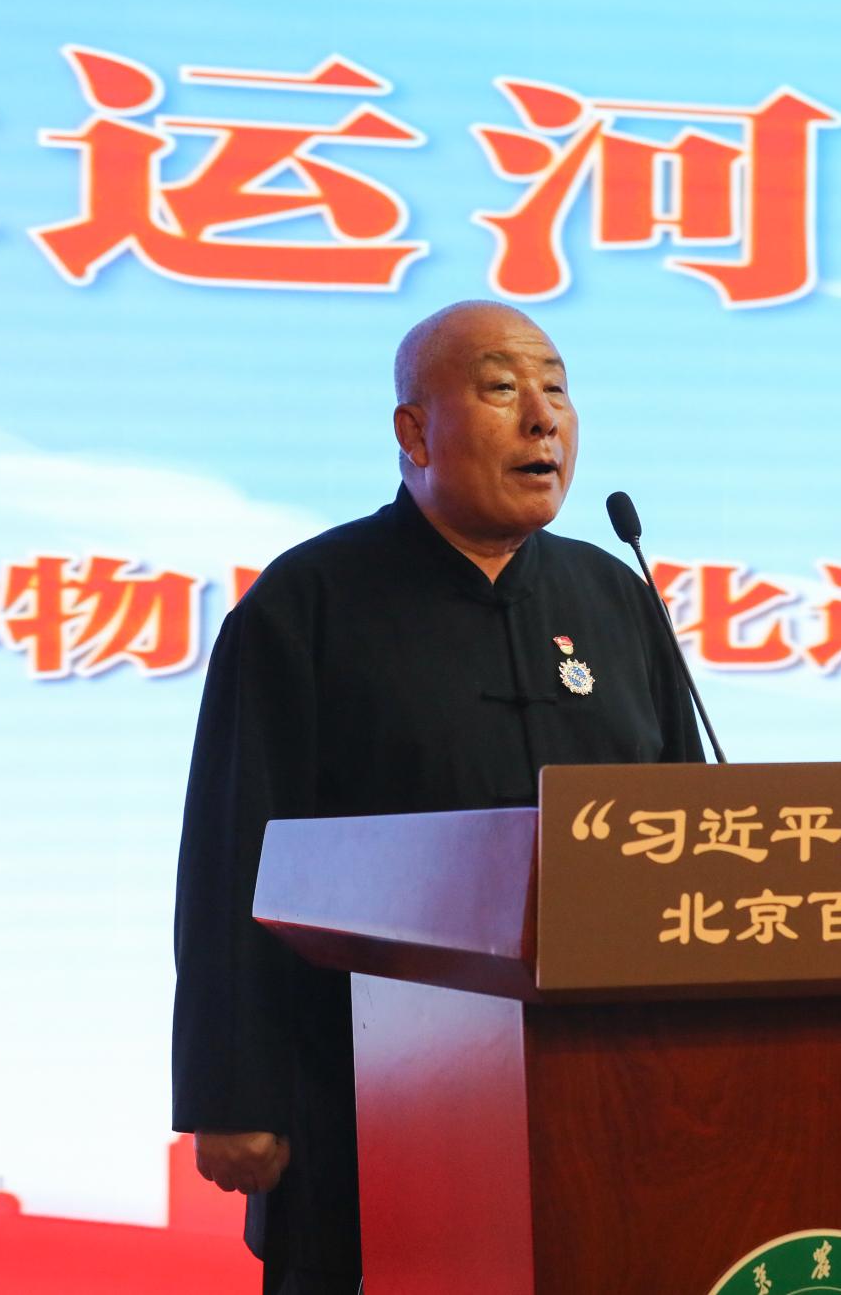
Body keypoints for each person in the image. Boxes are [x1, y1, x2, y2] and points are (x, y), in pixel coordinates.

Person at [169, 301, 706, 1294]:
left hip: (612, 1098)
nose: (542, 417)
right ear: (414, 432)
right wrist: (231, 1088)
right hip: (364, 1097)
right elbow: (233, 851)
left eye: (555, 388)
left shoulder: (617, 599)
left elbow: (692, 839)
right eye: (502, 388)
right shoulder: (310, 602)